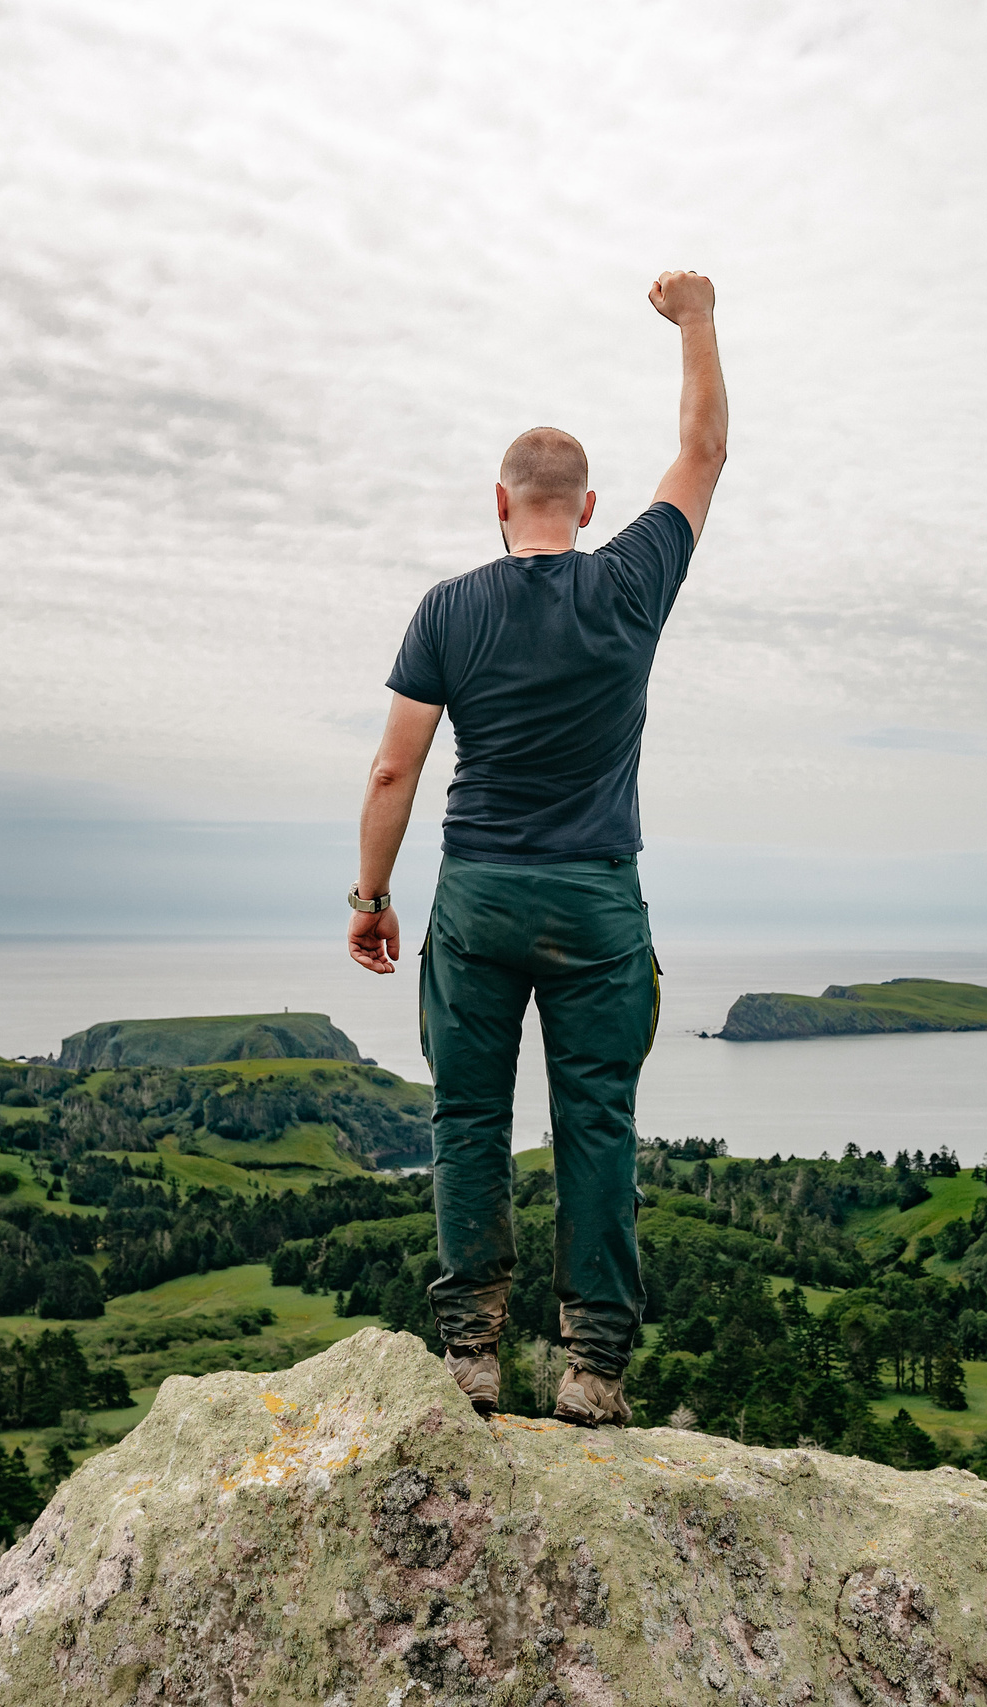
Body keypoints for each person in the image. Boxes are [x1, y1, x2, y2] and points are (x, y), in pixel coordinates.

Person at [346, 270, 728, 1426]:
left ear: (498, 502)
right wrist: (698, 322)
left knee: (466, 1121)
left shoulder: (448, 608)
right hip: (598, 904)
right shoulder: (630, 582)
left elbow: (393, 771)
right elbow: (703, 454)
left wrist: (371, 894)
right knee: (595, 1126)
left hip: (478, 898)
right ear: (593, 503)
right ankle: (591, 1372)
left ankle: (470, 1354)